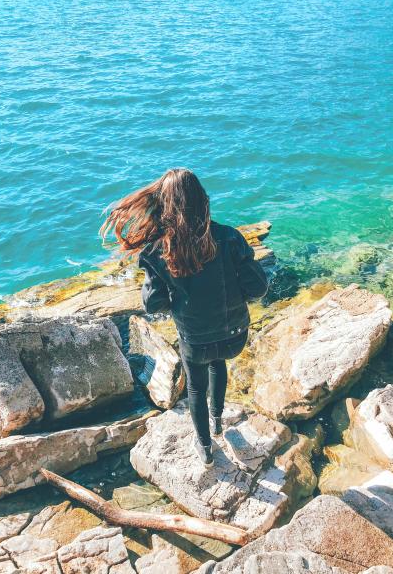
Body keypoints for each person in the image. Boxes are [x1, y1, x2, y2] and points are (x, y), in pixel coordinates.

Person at [100, 168, 268, 467]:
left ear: (165, 206)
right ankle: (217, 421)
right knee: (219, 362)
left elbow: (154, 305)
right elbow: (258, 288)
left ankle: (204, 446)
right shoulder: (229, 236)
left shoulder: (155, 251)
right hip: (235, 336)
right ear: (203, 200)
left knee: (195, 385)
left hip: (195, 341)